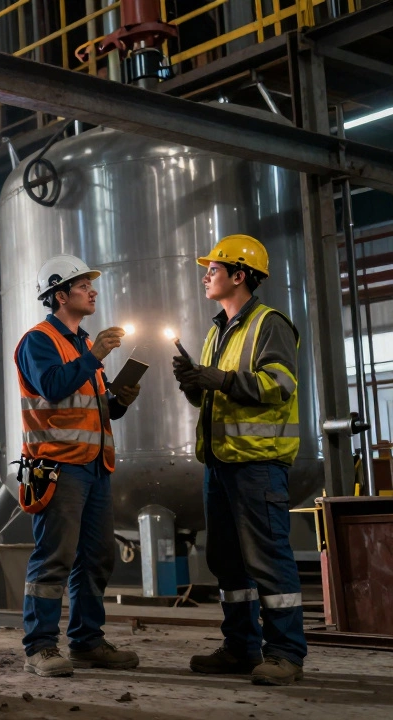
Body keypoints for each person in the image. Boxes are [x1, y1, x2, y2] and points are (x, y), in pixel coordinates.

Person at [171, 234, 305, 686]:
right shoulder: (216, 330)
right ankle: (241, 647)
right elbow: (213, 395)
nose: (206, 275)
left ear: (239, 274)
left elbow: (278, 384)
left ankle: (285, 654)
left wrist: (219, 378)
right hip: (221, 463)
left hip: (259, 462)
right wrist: (193, 381)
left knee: (268, 558)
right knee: (228, 562)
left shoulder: (270, 323)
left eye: (214, 268)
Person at [14, 254, 141, 678]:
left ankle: (87, 641)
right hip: (58, 465)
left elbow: (93, 407)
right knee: (54, 557)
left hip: (94, 466)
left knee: (97, 557)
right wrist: (96, 354)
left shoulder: (83, 345)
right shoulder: (39, 341)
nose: (93, 291)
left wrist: (119, 399)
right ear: (59, 294)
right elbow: (52, 388)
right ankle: (41, 647)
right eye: (84, 285)